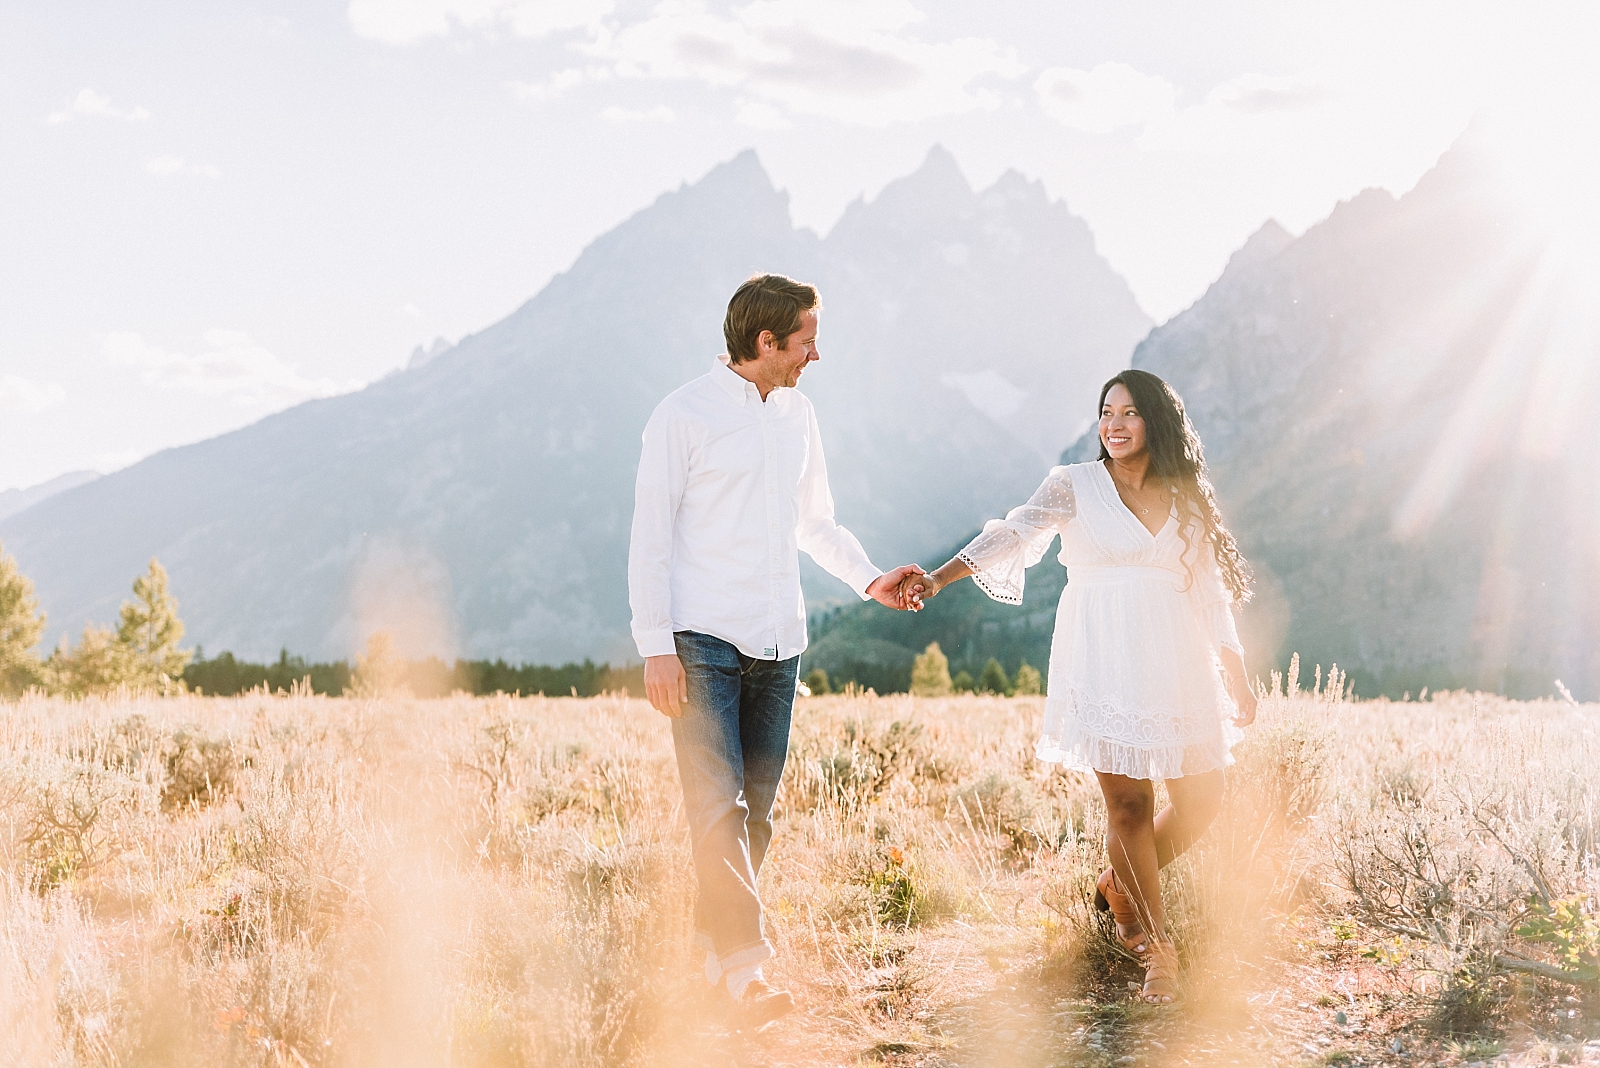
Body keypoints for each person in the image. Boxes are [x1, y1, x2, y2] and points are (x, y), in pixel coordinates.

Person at [902, 369, 1257, 1005]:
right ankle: (1157, 950)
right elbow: (1012, 532)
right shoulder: (1074, 485)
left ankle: (1120, 883)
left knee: (1204, 800)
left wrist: (1234, 668)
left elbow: (1208, 589)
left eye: (1128, 413)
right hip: (1102, 656)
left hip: (1177, 660)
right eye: (1105, 412)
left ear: (1157, 421)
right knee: (1129, 808)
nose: (1114, 424)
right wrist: (938, 578)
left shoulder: (1185, 498)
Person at [628, 273, 925, 1029]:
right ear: (766, 342)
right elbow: (650, 538)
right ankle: (748, 976)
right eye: (806, 340)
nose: (814, 355)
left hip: (779, 641)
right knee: (718, 808)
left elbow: (816, 523)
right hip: (700, 642)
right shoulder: (681, 415)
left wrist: (870, 580)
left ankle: (706, 959)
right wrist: (655, 644)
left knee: (754, 816)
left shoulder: (798, 416)